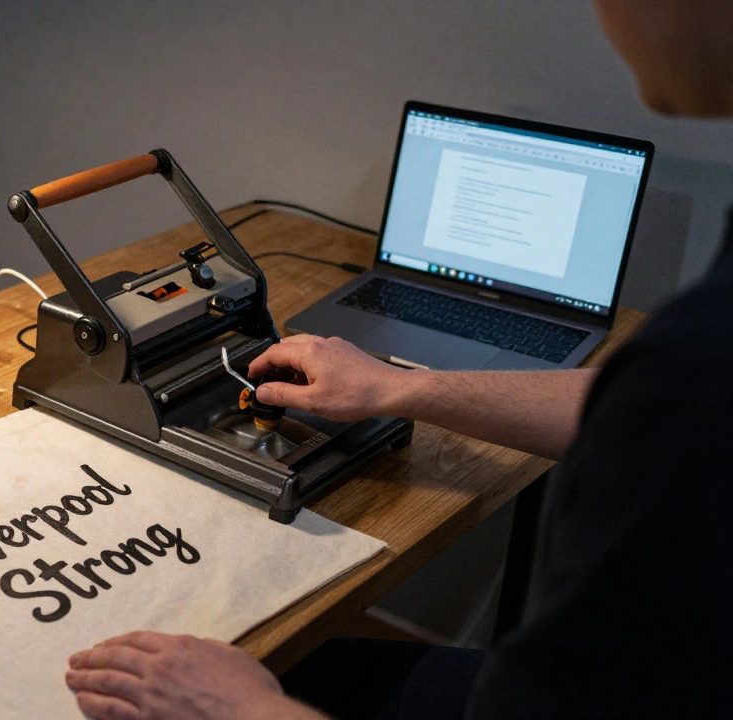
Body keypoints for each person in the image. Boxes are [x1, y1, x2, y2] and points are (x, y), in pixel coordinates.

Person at [64, 1, 733, 717]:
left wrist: (244, 710)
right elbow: (614, 404)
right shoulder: (682, 379)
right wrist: (398, 389)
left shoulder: (692, 381)